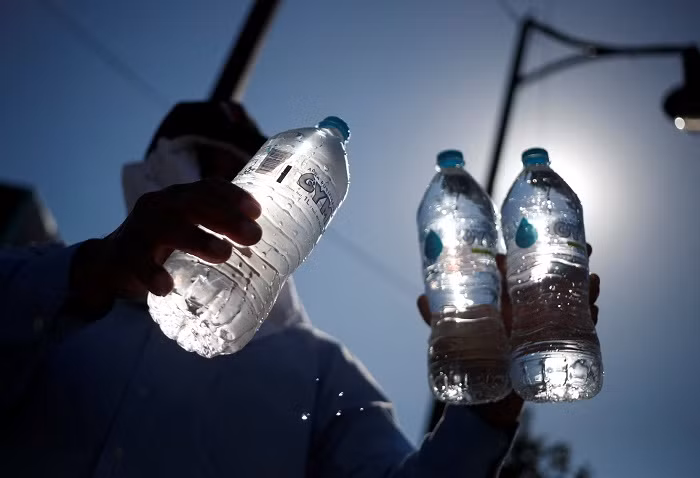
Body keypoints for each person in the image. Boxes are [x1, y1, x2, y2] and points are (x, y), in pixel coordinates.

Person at [0, 101, 601, 477]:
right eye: (200, 171)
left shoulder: (320, 369)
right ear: (158, 176)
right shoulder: (40, 280)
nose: (221, 195)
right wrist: (88, 276)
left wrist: (486, 413)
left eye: (237, 175)